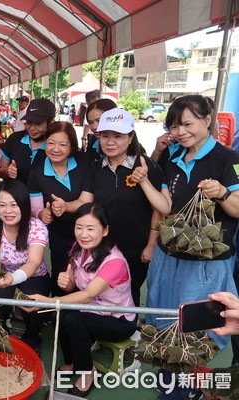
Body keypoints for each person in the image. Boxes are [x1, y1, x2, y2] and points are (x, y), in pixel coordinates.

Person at [130, 95, 239, 350]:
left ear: (208, 120)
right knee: (165, 318)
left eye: (188, 124)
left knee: (198, 325)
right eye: (175, 126)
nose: (180, 132)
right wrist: (144, 181)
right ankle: (169, 372)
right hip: (169, 254)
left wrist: (222, 193)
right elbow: (166, 205)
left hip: (206, 262)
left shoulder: (230, 159)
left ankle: (186, 384)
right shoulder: (174, 155)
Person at [51, 108, 162, 308]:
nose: (110, 142)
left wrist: (151, 246)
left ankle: (127, 330)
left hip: (135, 247)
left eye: (118, 136)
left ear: (130, 138)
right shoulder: (95, 168)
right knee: (96, 296)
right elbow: (86, 201)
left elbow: (158, 210)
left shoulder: (146, 167)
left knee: (129, 294)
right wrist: (65, 205)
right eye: (104, 136)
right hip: (101, 248)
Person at [23, 203, 136, 397]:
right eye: (79, 227)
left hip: (118, 319)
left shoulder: (114, 261)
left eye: (91, 228)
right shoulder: (79, 248)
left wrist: (46, 301)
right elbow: (72, 284)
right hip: (91, 309)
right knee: (59, 315)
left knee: (73, 320)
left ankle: (87, 373)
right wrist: (64, 281)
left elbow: (88, 294)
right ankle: (72, 362)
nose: (83, 234)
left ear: (105, 230)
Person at [0, 179, 50, 351]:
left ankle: (32, 338)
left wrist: (11, 278)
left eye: (14, 205)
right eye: (2, 205)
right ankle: (1, 334)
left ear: (24, 205)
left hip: (33, 274)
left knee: (33, 304)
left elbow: (33, 263)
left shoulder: (37, 227)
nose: (8, 211)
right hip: (2, 273)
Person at [28, 121, 92, 296]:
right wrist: (42, 214)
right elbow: (35, 208)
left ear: (72, 146)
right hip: (60, 235)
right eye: (51, 143)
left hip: (90, 234)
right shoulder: (37, 172)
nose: (56, 149)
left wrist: (66, 206)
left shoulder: (85, 162)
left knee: (88, 276)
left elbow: (87, 201)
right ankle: (59, 317)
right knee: (62, 276)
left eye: (62, 144)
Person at [0, 98, 56, 184]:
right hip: (13, 195)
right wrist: (7, 171)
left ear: (51, 122)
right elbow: (0, 170)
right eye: (29, 122)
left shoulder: (56, 146)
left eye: (38, 123)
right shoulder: (15, 139)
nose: (32, 128)